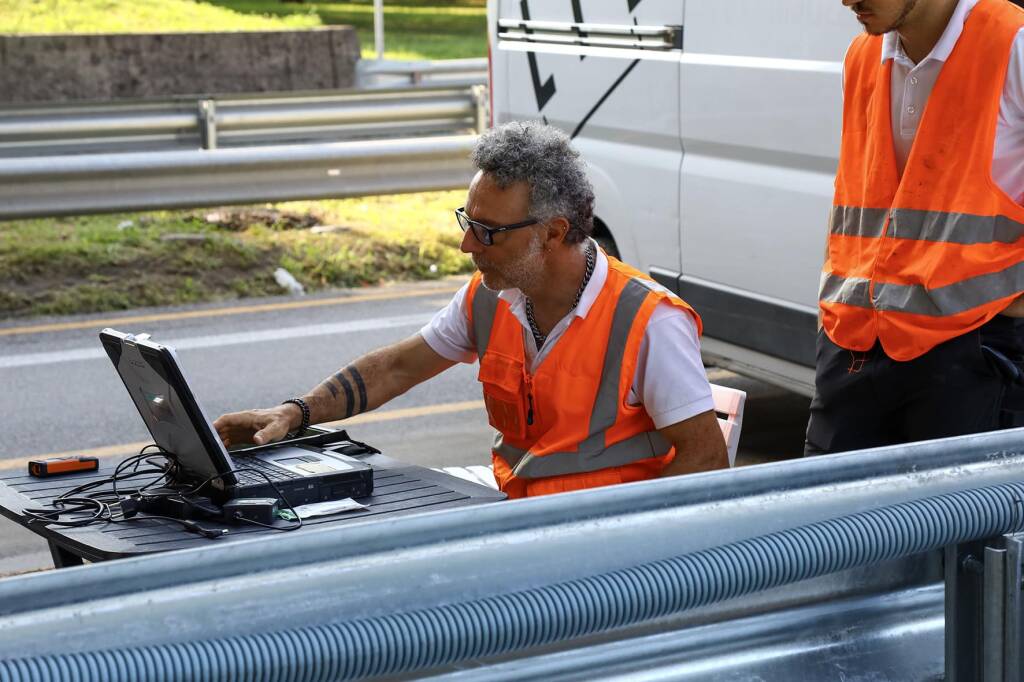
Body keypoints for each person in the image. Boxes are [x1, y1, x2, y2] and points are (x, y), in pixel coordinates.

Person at [215, 121, 729, 498]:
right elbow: (397, 367)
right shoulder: (490, 296)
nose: (467, 244)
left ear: (551, 233)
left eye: (488, 231)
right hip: (515, 516)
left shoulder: (650, 321)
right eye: (468, 220)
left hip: (599, 548)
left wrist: (630, 551)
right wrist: (296, 412)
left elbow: (706, 458)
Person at [806, 0, 1024, 455]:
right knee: (829, 521)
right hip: (854, 340)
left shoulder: (1013, 44)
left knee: (957, 524)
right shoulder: (863, 55)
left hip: (975, 347)